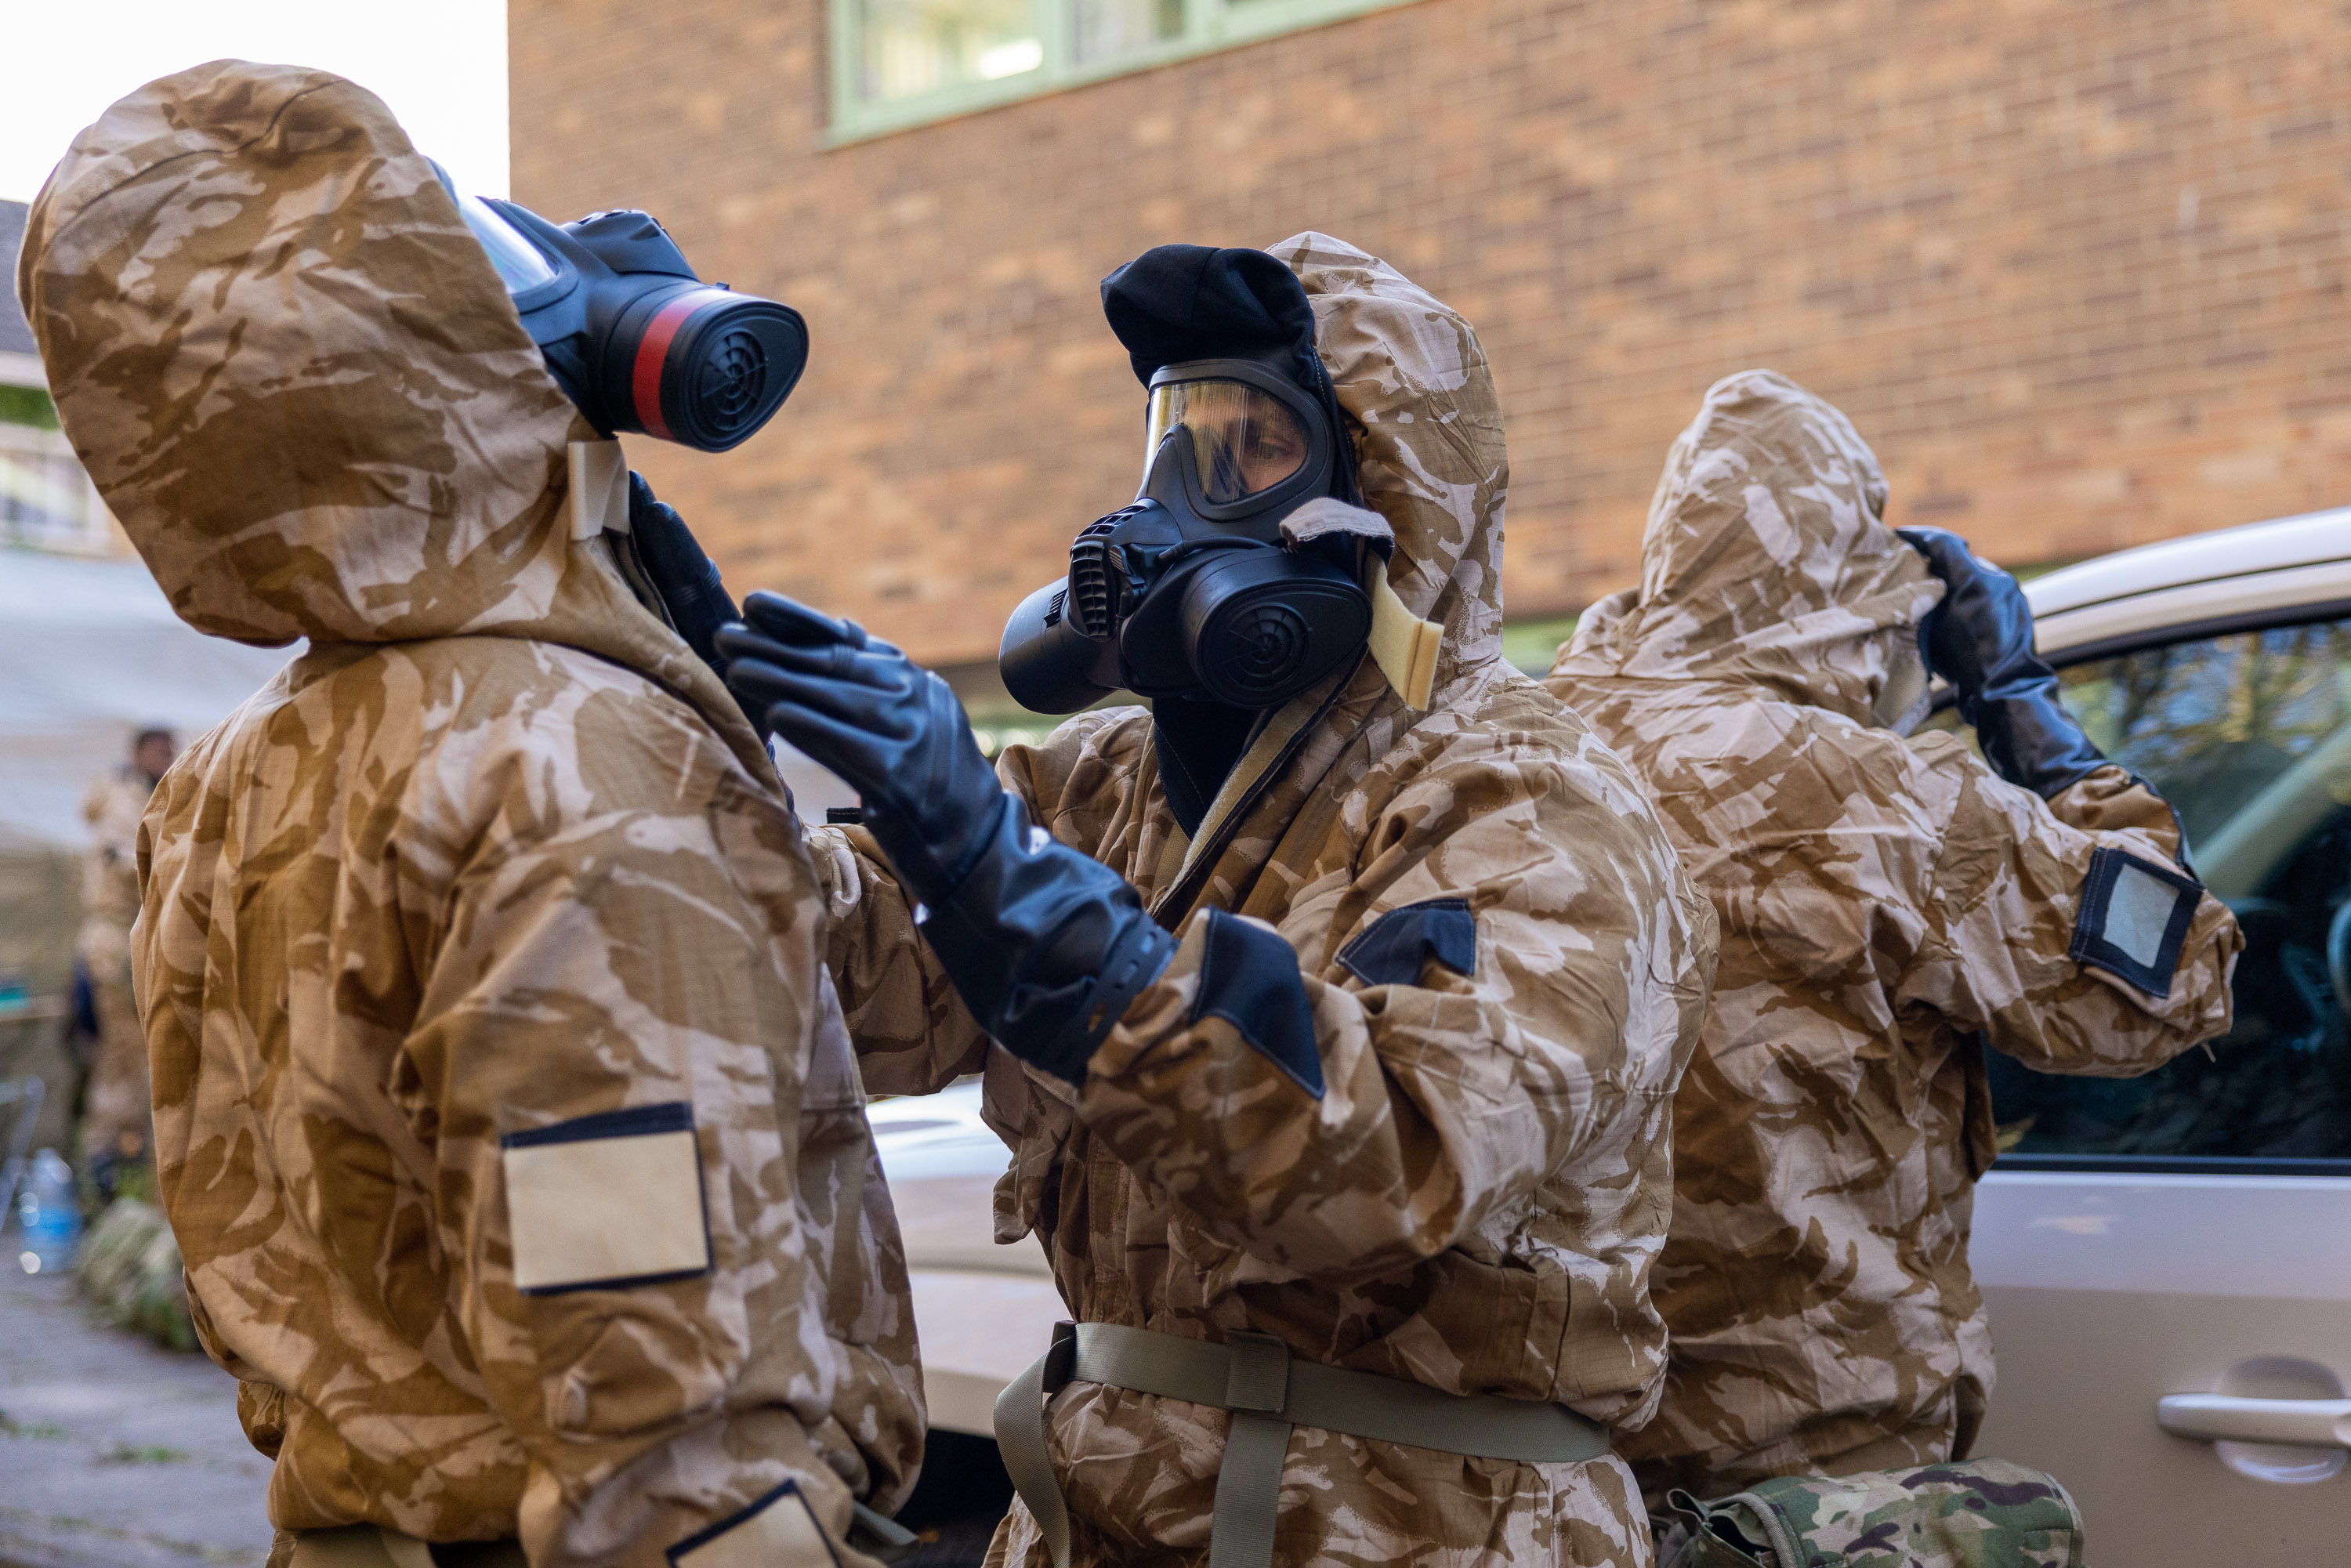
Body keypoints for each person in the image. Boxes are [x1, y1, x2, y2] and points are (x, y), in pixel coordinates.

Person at [20, 61, 920, 1566]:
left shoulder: (240, 773)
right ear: (420, 354)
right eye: (466, 256)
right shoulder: (579, 771)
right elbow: (668, 1451)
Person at [721, 237, 1719, 1568]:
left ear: (1390, 499)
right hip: (1102, 1515)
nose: (1186, 495)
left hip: (1415, 1533)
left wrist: (999, 873)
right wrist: (668, 704)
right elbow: (859, 998)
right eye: (1176, 439)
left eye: (1255, 448)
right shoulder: (1109, 782)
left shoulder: (1535, 810)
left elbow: (1380, 1162)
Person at [1545, 369, 2242, 1505]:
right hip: (1817, 1484)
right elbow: (2175, 977)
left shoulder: (1516, 758)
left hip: (1561, 1481)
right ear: (1850, 589)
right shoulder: (1890, 803)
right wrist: (2026, 708)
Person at [75, 723, 172, 1197]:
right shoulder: (123, 798)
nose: (167, 757)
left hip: (123, 938)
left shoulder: (142, 794)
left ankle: (114, 1174)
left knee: (128, 1057)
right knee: (127, 1057)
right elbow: (125, 858)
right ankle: (111, 1174)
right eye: (159, 749)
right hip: (115, 940)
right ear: (138, 753)